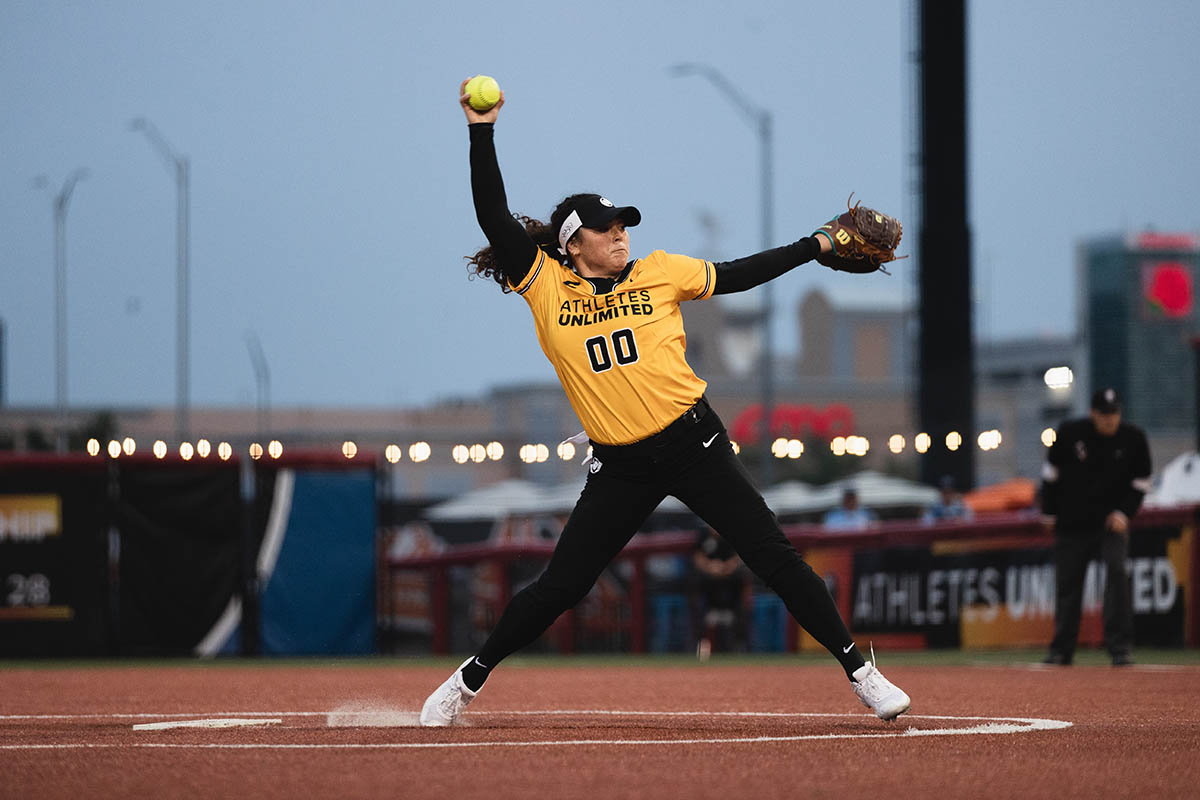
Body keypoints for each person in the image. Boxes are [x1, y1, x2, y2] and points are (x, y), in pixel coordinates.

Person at [420, 80, 910, 726]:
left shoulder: (660, 271)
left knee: (774, 557)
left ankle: (862, 673)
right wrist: (480, 130)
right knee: (562, 588)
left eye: (622, 223)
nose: (619, 233)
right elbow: (493, 217)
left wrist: (815, 245)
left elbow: (737, 273)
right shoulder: (544, 287)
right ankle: (467, 680)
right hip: (621, 466)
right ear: (573, 244)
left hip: (695, 445)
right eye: (604, 227)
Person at [1040, 388, 1153, 667]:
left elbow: (1141, 483)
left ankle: (1119, 647)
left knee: (1117, 573)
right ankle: (1062, 649)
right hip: (1072, 522)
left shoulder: (1133, 438)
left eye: (1114, 413)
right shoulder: (1070, 432)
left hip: (1110, 523)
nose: (1110, 420)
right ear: (1093, 413)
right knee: (1068, 585)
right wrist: (1048, 511)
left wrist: (1124, 513)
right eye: (1104, 414)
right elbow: (1050, 475)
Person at [691, 528, 745, 657]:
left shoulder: (731, 534)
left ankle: (738, 649)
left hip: (731, 583)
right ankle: (702, 651)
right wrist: (710, 567)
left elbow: (739, 557)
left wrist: (724, 568)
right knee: (700, 611)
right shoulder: (703, 535)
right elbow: (697, 557)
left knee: (739, 612)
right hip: (707, 584)